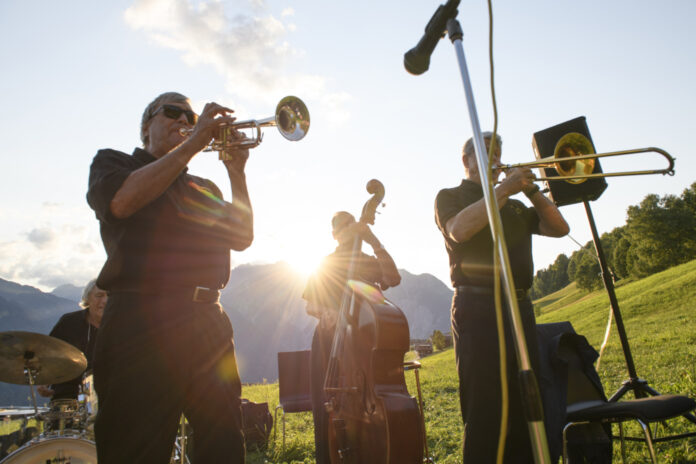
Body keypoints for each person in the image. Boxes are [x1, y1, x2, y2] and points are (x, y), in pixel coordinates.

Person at [86, 92, 253, 464]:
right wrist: (195, 142)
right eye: (173, 112)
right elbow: (122, 202)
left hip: (208, 322)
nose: (184, 121)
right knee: (136, 448)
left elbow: (241, 236)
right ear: (147, 125)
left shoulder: (203, 188)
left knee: (223, 443)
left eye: (191, 118)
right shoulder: (113, 163)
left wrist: (236, 171)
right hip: (140, 320)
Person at [434, 132, 570, 463]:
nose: (495, 160)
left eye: (499, 153)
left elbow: (559, 228)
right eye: (487, 153)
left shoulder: (515, 204)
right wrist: (504, 190)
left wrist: (533, 190)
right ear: (466, 161)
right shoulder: (450, 196)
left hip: (520, 306)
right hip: (477, 308)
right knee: (485, 408)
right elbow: (459, 230)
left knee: (528, 401)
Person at [302, 211, 401, 464]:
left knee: (365, 398)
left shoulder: (368, 260)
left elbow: (393, 278)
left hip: (363, 341)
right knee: (327, 406)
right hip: (328, 343)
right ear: (335, 235)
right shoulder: (325, 263)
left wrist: (373, 239)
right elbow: (311, 305)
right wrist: (327, 311)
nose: (347, 229)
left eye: (350, 223)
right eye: (341, 227)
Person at [37, 279, 107, 399]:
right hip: (67, 396)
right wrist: (44, 380)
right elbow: (48, 353)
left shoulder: (121, 327)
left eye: (109, 296)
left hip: (108, 397)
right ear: (87, 299)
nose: (105, 301)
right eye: (99, 296)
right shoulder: (68, 323)